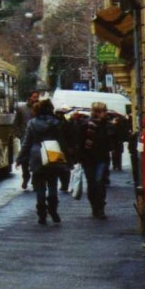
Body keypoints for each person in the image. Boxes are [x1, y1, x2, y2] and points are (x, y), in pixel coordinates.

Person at [18, 97, 67, 225]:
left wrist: (20, 158)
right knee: (52, 183)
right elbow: (62, 141)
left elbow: (26, 143)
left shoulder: (32, 123)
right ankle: (53, 210)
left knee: (40, 186)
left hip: (37, 155)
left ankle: (41, 214)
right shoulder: (56, 123)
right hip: (53, 153)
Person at [77, 101, 117, 219]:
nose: (106, 113)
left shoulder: (107, 125)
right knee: (91, 183)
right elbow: (80, 141)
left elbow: (112, 139)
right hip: (88, 158)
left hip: (102, 158)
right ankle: (94, 205)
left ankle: (100, 207)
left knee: (99, 182)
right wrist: (79, 157)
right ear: (97, 112)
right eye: (104, 111)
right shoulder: (86, 124)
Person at [13, 91, 39, 190]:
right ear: (29, 97)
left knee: (36, 159)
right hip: (25, 138)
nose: (36, 99)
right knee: (24, 159)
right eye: (34, 97)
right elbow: (16, 124)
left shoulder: (40, 108)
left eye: (37, 97)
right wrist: (20, 135)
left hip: (37, 139)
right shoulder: (22, 109)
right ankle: (26, 177)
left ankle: (35, 180)